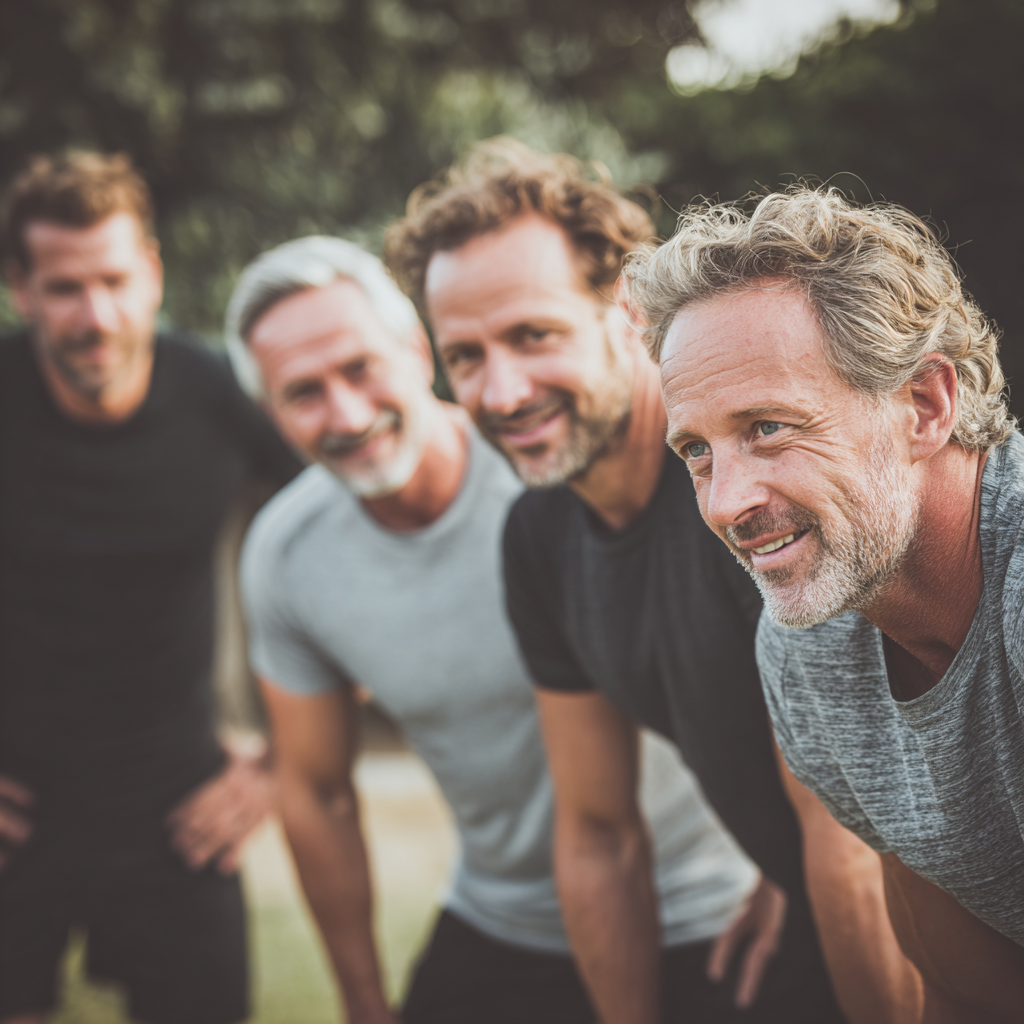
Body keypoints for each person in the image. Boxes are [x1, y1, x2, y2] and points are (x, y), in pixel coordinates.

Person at [386, 139, 923, 1024]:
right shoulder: (537, 537)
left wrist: (799, 873)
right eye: (467, 355)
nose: (502, 389)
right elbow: (598, 835)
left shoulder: (745, 496)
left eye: (533, 334)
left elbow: (851, 839)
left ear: (627, 311)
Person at [229, 235, 770, 1024]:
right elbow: (316, 792)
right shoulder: (286, 557)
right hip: (501, 918)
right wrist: (361, 1001)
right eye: (302, 392)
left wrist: (789, 868)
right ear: (269, 412)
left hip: (711, 905)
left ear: (417, 350)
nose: (345, 413)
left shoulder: (554, 463)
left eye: (360, 367)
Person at [622, 185, 1024, 1023]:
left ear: (925, 405)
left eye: (769, 426)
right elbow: (967, 985)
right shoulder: (809, 652)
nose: (727, 504)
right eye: (697, 450)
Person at [0, 152, 301, 1024]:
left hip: (183, 814)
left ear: (153, 275)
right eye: (63, 287)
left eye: (115, 280)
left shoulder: (215, 391)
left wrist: (285, 762)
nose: (95, 316)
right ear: (20, 287)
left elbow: (354, 536)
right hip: (16, 819)